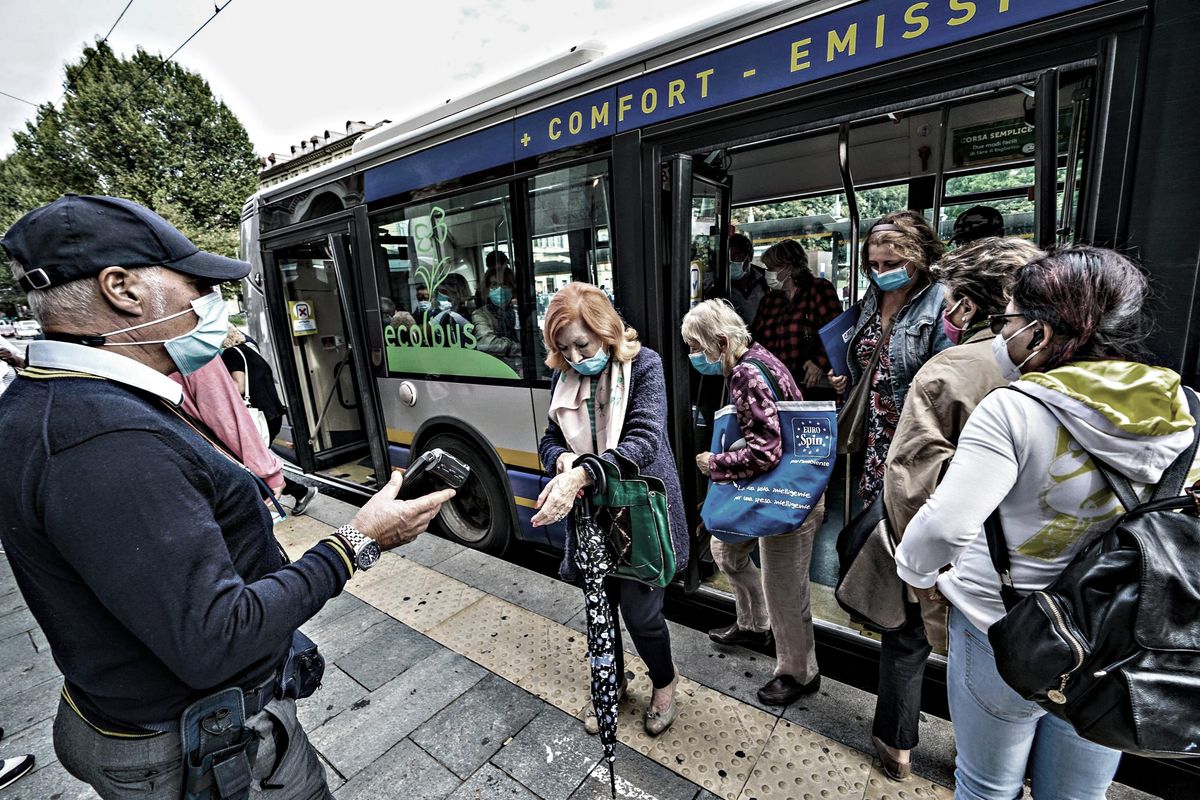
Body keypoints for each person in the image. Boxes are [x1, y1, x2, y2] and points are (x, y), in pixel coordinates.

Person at [0, 194, 454, 800]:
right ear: (122, 289)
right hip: (201, 750)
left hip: (163, 725)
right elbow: (217, 638)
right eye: (196, 286)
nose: (210, 304)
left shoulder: (54, 404)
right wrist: (357, 543)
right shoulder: (105, 440)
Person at [894, 246, 1200, 800]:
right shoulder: (1185, 407)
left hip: (1004, 625)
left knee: (987, 786)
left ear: (1039, 333)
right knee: (1078, 793)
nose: (1001, 333)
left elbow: (943, 528)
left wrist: (918, 575)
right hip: (1116, 634)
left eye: (1006, 320)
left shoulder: (1013, 408)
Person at [870, 237, 1043, 780]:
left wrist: (918, 568)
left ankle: (897, 746)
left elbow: (910, 482)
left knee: (908, 638)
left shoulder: (950, 369)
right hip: (1034, 571)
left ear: (967, 306)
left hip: (957, 559)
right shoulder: (1071, 365)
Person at [532, 282, 687, 736]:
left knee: (641, 614)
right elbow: (549, 441)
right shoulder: (564, 377)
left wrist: (582, 474)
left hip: (638, 512)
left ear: (605, 330)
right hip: (590, 516)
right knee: (599, 609)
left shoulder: (645, 366)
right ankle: (611, 681)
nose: (575, 357)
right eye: (565, 349)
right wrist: (562, 460)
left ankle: (665, 682)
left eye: (582, 344)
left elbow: (644, 440)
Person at [684, 299, 825, 705]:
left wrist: (714, 463)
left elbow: (765, 453)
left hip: (787, 498)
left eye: (696, 347)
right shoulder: (758, 357)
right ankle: (753, 623)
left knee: (785, 589)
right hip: (767, 491)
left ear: (721, 342)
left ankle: (800, 673)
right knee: (725, 550)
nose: (693, 356)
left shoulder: (746, 374)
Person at [828, 211, 952, 503]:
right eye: (874, 265)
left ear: (919, 257)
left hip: (915, 433)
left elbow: (946, 377)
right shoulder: (873, 297)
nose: (881, 273)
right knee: (874, 512)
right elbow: (867, 357)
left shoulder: (941, 301)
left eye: (892, 264)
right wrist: (845, 377)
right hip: (874, 431)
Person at [221, 326, 319, 514]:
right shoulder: (249, 351)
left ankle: (296, 492)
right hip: (271, 413)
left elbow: (239, 386)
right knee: (258, 462)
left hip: (258, 416)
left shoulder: (231, 354)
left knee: (251, 463)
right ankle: (299, 492)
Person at [752, 239, 842, 399]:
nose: (768, 273)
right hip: (776, 386)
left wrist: (819, 362)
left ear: (789, 267)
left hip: (813, 385)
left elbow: (837, 331)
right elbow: (757, 340)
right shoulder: (769, 300)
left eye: (772, 268)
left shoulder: (819, 289)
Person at [472, 251, 522, 362]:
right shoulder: (481, 314)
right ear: (487, 290)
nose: (500, 289)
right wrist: (519, 347)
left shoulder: (519, 312)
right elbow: (488, 344)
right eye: (494, 285)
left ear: (512, 288)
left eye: (505, 284)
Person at [725, 233, 769, 326]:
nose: (731, 262)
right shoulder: (721, 283)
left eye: (737, 256)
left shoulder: (766, 279)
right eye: (728, 257)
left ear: (750, 257)